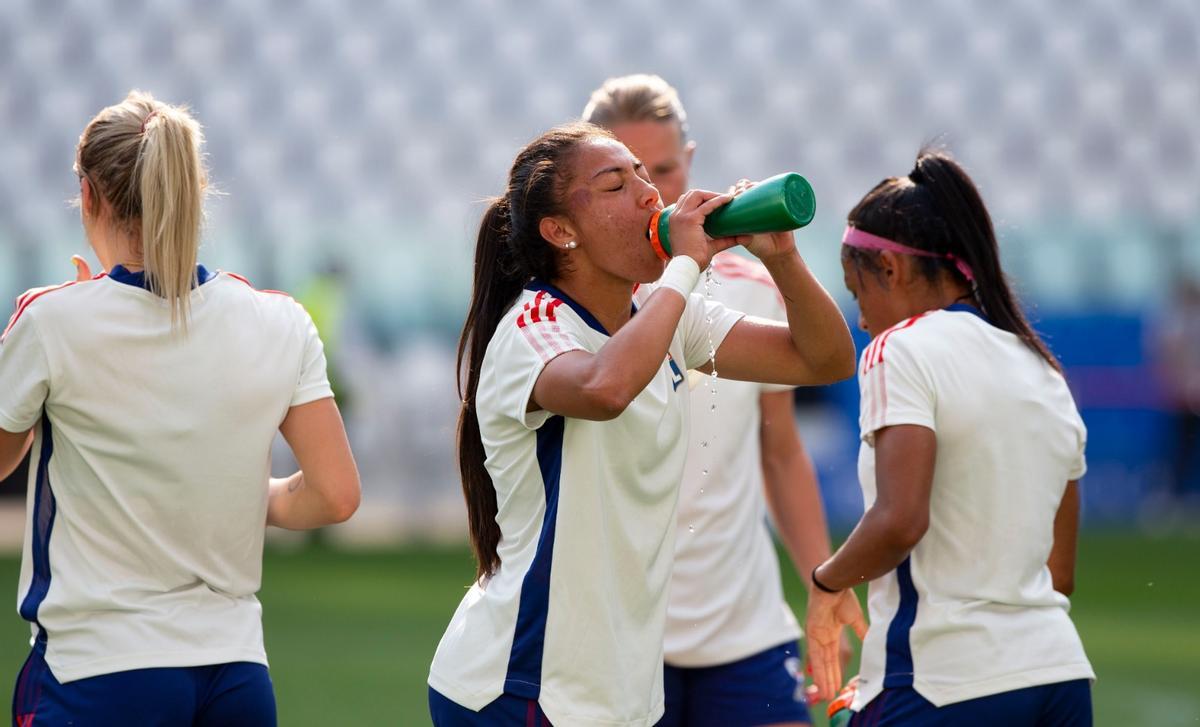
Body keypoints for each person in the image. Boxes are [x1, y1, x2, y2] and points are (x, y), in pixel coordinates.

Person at [427, 121, 855, 727]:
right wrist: (685, 266)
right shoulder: (533, 327)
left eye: (644, 175)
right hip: (523, 689)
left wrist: (782, 260)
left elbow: (825, 360)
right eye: (615, 185)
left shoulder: (666, 314)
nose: (649, 194)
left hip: (622, 697)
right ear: (561, 231)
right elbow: (604, 388)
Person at [0, 90, 360, 726]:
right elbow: (336, 496)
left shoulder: (52, 321)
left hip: (96, 673)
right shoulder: (279, 320)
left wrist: (58, 340)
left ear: (88, 195)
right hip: (237, 676)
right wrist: (236, 495)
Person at [804, 149, 1094, 725]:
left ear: (890, 269)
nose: (862, 321)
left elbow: (900, 522)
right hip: (1059, 676)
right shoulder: (1043, 369)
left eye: (858, 294)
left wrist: (826, 583)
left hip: (941, 683)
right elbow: (1059, 574)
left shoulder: (899, 348)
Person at [583, 74, 838, 727]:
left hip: (745, 626)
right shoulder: (576, 304)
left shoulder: (752, 282)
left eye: (664, 169)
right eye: (626, 177)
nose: (653, 194)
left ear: (690, 160)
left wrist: (823, 582)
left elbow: (780, 449)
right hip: (620, 633)